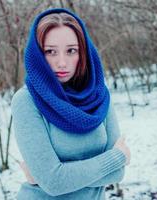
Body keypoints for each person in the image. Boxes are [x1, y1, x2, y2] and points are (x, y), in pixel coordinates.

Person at [11, 8, 131, 200]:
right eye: (50, 51)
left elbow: (117, 174)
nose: (62, 62)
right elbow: (54, 182)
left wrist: (52, 176)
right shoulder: (26, 100)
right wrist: (117, 158)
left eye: (71, 51)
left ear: (83, 52)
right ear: (38, 55)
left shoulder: (99, 96)